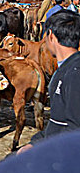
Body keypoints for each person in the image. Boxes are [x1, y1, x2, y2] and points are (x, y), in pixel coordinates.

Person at [17, 10, 80, 155]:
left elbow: (75, 127)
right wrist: (35, 143)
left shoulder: (74, 73)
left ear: (50, 35)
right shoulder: (67, 67)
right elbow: (59, 122)